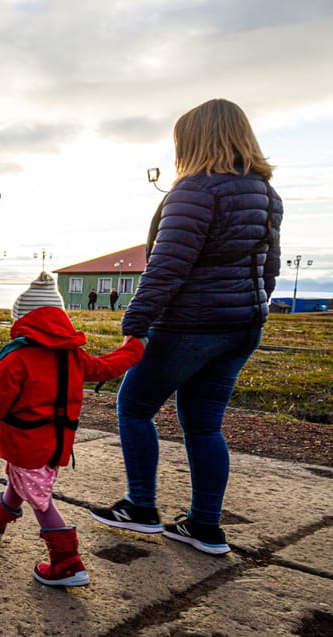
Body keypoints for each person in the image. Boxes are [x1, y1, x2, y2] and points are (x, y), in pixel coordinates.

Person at [90, 99, 283, 556]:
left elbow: (166, 268)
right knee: (203, 426)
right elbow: (269, 268)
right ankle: (204, 526)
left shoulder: (195, 191)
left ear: (194, 140)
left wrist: (135, 323)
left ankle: (141, 507)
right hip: (244, 325)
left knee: (134, 406)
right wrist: (245, 306)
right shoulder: (266, 193)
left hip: (191, 326)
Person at [0, 272, 144, 587]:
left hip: (26, 445)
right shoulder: (72, 355)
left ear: (22, 319)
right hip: (56, 446)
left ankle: (67, 562)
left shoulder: (16, 359)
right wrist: (134, 347)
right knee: (24, 483)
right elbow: (106, 367)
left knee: (41, 501)